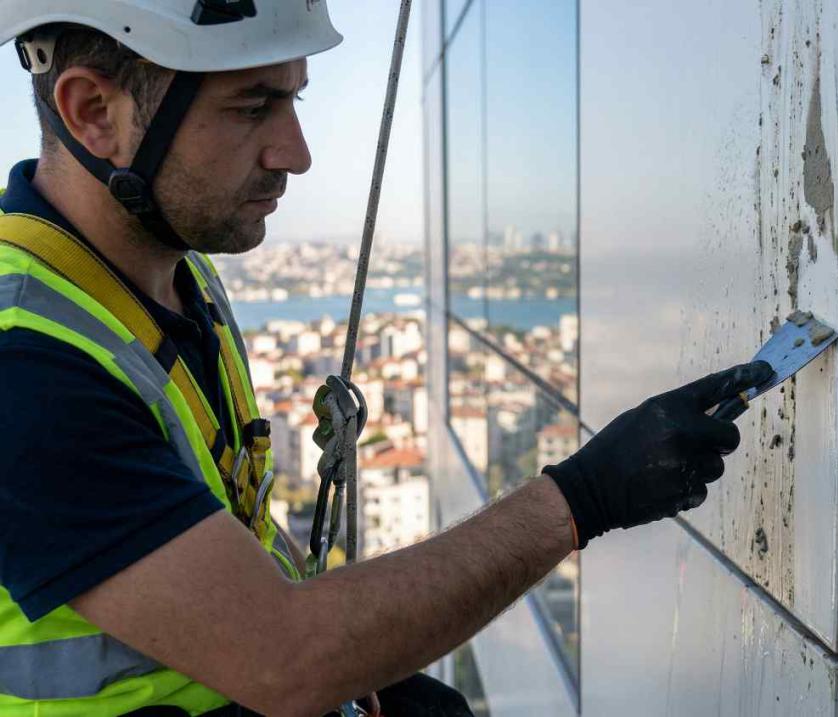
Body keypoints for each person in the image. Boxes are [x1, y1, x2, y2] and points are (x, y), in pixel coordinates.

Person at [0, 3, 774, 715]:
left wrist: (349, 653)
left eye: (293, 99)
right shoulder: (25, 365)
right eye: (252, 105)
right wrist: (583, 496)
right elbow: (283, 656)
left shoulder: (169, 276)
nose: (296, 153)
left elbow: (226, 538)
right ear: (94, 111)